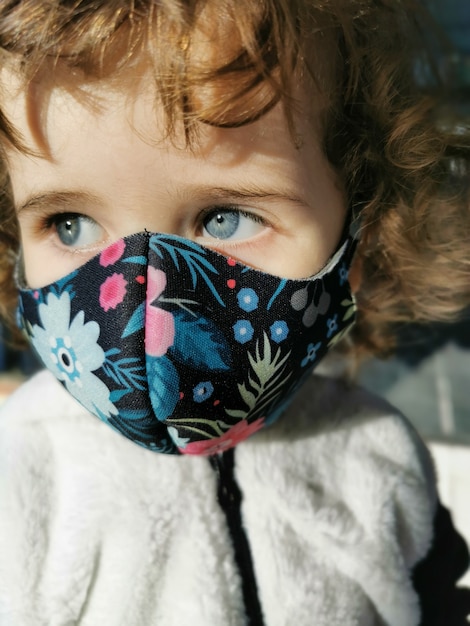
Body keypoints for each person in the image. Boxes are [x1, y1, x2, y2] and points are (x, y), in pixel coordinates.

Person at [0, 1, 469, 624]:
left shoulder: (375, 458)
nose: (141, 302)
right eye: (70, 224)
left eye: (226, 217)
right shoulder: (22, 474)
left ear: (358, 240)